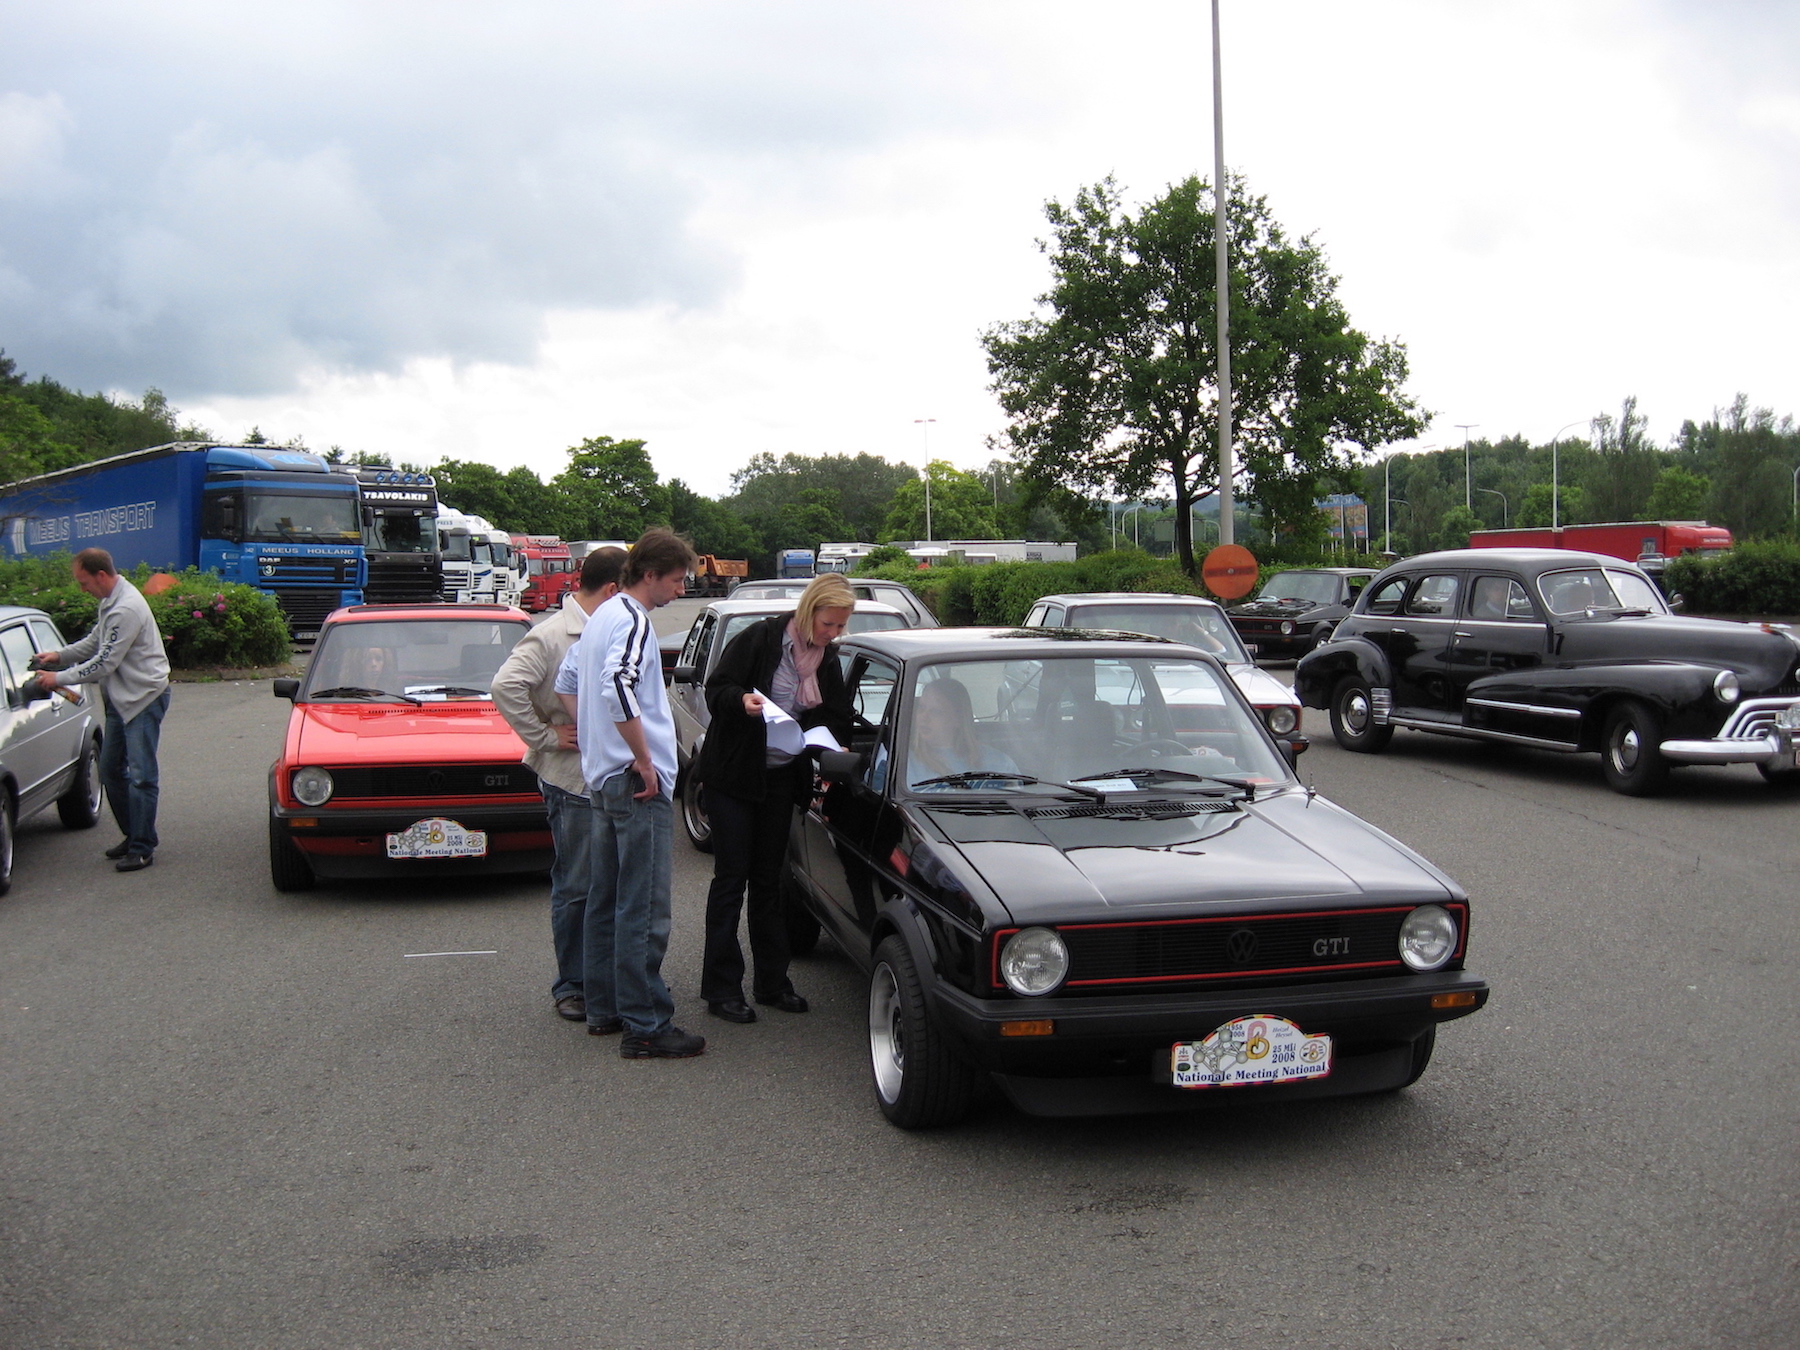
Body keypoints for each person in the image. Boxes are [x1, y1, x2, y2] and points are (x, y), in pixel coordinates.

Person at [554, 529, 705, 1060]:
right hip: (635, 780)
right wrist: (642, 758)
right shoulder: (635, 620)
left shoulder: (601, 617)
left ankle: (605, 1008)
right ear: (650, 575)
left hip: (602, 777)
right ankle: (646, 1024)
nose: (681, 590)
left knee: (607, 899)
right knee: (643, 906)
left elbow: (568, 680)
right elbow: (617, 684)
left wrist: (595, 734)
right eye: (677, 580)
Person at [694, 573, 855, 1023]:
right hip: (734, 776)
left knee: (769, 881)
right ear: (808, 613)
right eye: (828, 624)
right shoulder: (760, 638)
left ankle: (772, 982)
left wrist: (834, 745)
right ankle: (722, 989)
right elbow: (718, 688)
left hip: (781, 776)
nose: (833, 634)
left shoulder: (826, 658)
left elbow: (835, 714)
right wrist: (741, 700)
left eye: (840, 626)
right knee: (731, 880)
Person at [491, 546, 625, 1024]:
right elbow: (505, 686)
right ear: (612, 590)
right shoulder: (552, 635)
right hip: (572, 781)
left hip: (609, 776)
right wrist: (545, 737)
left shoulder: (610, 627)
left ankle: (608, 979)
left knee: (613, 885)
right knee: (577, 885)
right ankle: (573, 985)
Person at [32, 548, 172, 872]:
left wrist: (58, 678)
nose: (83, 589)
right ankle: (134, 835)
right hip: (120, 699)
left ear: (101, 575)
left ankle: (142, 847)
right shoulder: (110, 600)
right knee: (110, 770)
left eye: (84, 582)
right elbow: (96, 641)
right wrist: (59, 656)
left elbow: (104, 662)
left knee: (142, 776)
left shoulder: (126, 608)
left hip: (143, 698)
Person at [907, 677, 1019, 788]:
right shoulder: (904, 765)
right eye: (921, 708)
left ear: (958, 719)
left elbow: (1018, 796)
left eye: (935, 711)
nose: (924, 717)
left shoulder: (999, 763)